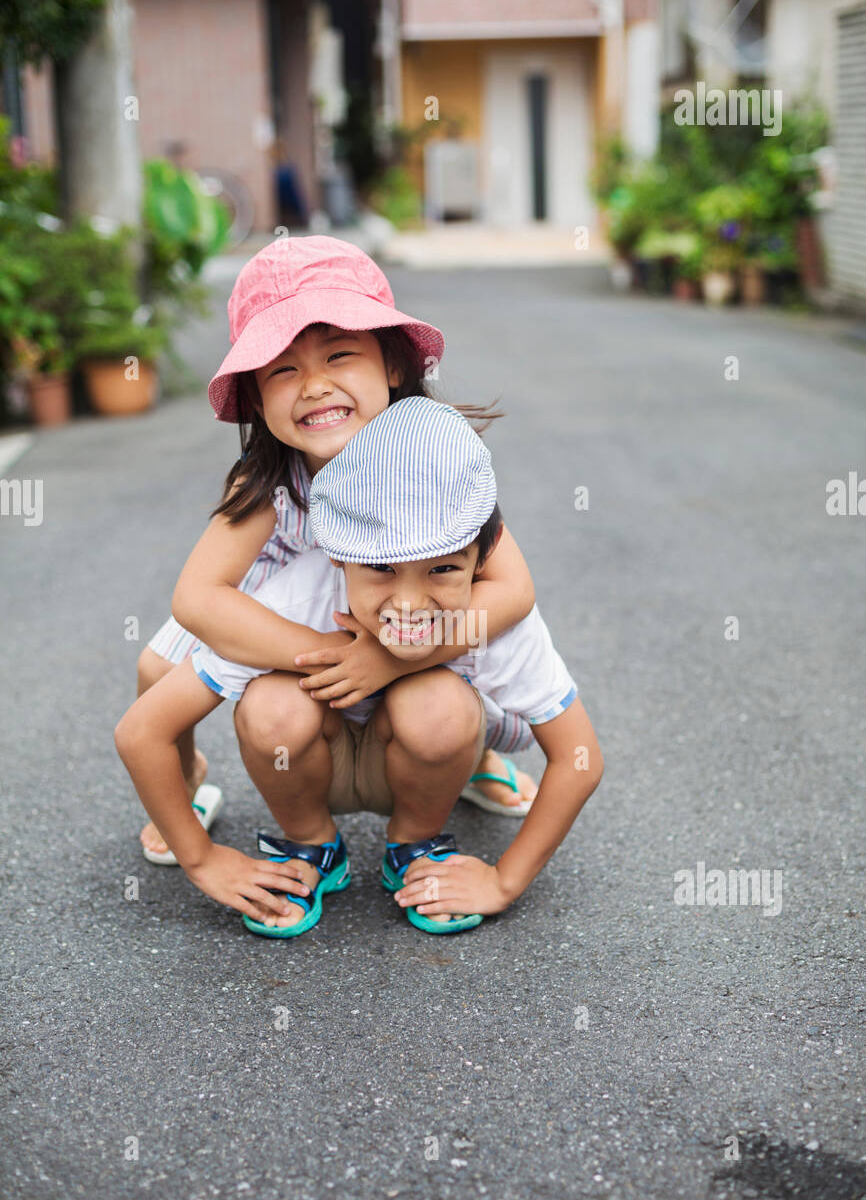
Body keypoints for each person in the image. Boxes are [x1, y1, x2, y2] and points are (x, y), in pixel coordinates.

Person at [115, 397, 603, 937]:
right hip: (316, 757)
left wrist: (504, 882)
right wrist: (203, 860)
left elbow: (579, 758)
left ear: (484, 555)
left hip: (417, 754)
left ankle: (416, 844)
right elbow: (141, 732)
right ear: (335, 554)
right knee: (273, 703)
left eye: (442, 567)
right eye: (380, 568)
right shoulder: (292, 600)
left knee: (437, 705)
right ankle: (311, 844)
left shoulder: (494, 618)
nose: (411, 604)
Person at [137, 234, 540, 866]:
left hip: (408, 617)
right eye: (284, 369)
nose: (315, 386)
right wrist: (334, 656)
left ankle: (473, 760)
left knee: (452, 698)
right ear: (255, 395)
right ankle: (185, 780)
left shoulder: (434, 461)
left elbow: (511, 590)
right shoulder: (268, 479)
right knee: (156, 674)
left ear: (393, 366)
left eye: (340, 355)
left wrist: (387, 659)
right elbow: (198, 597)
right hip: (301, 613)